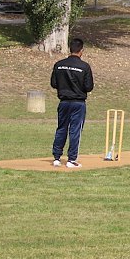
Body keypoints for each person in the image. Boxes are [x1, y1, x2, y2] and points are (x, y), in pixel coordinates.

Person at [50, 38, 94, 168]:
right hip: (78, 103)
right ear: (81, 51)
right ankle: (71, 159)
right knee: (75, 130)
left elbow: (53, 83)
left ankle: (57, 158)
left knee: (61, 128)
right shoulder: (84, 66)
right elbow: (89, 87)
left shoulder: (59, 64)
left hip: (63, 102)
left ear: (70, 49)